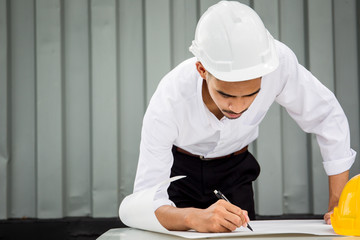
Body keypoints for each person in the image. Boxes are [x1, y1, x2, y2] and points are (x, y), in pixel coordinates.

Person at [133, 1, 356, 233]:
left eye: (252, 94)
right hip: (178, 174)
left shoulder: (277, 64)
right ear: (202, 69)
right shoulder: (169, 99)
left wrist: (339, 203)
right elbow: (145, 203)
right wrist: (191, 218)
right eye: (225, 93)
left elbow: (327, 116)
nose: (238, 107)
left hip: (235, 172)